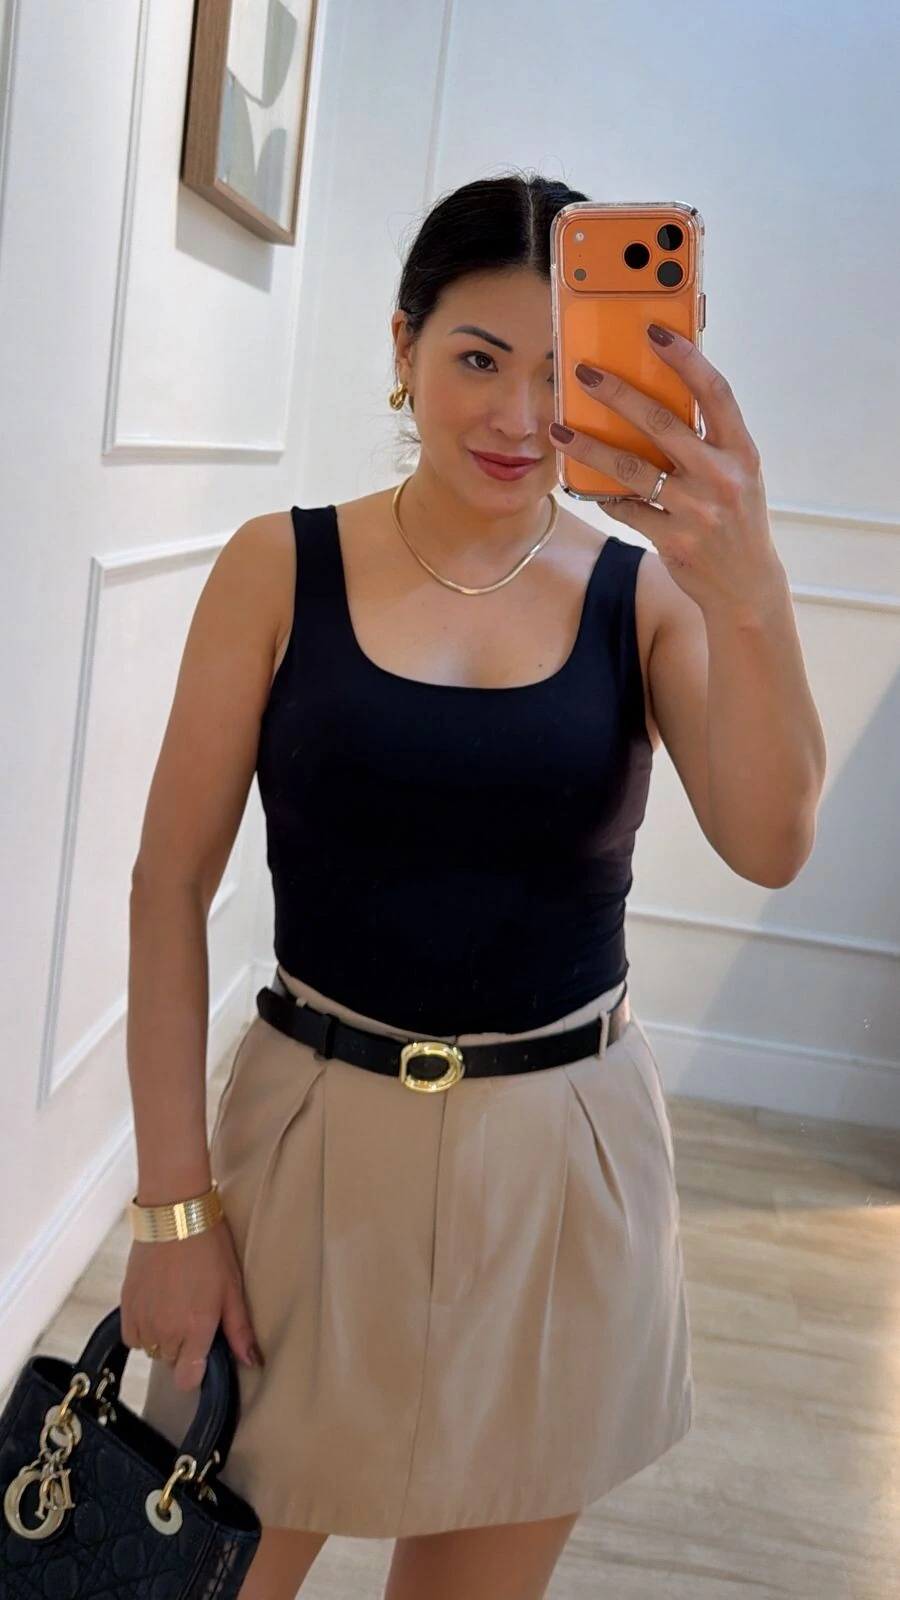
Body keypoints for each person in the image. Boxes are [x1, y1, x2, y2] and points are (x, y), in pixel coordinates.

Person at [121, 170, 826, 1600]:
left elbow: (771, 842)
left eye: (567, 374)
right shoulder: (279, 569)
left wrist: (748, 585)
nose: (519, 417)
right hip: (309, 1151)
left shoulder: (646, 596)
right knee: (206, 1574)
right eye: (480, 360)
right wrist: (173, 1212)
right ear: (404, 347)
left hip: (562, 1168)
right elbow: (165, 885)